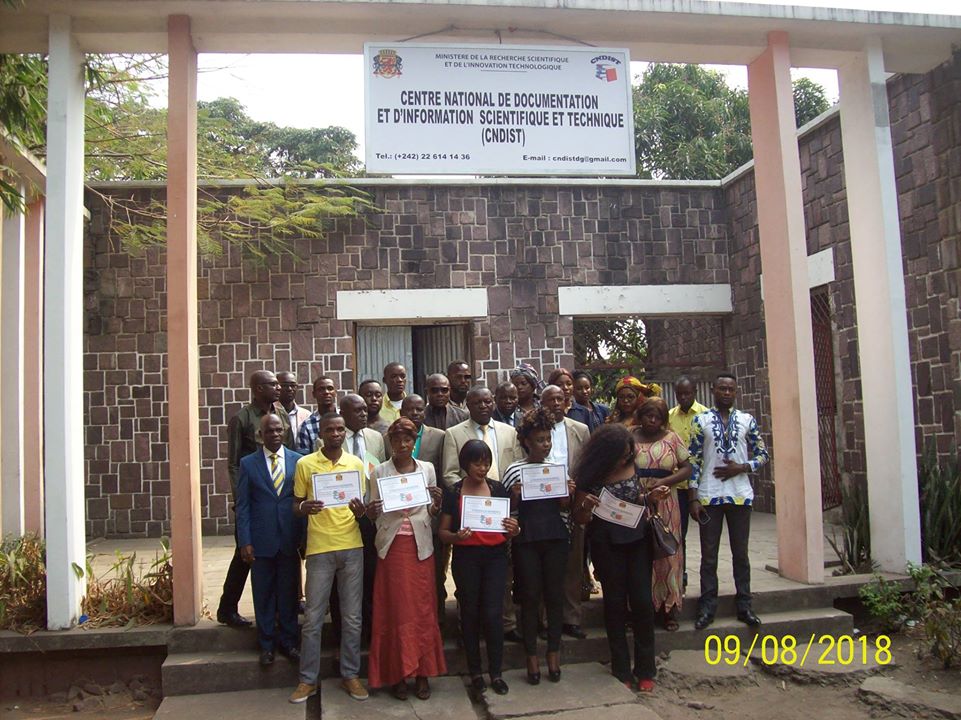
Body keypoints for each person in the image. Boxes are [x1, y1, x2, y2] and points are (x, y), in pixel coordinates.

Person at [571, 424, 671, 692]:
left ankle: (646, 668)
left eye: (629, 454)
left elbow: (637, 499)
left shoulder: (631, 466)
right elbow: (580, 518)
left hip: (637, 540)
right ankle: (621, 667)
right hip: (606, 544)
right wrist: (586, 506)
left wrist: (651, 497)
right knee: (614, 603)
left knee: (641, 602)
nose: (626, 459)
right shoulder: (591, 474)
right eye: (622, 454)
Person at [289, 413, 369, 704]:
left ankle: (351, 674)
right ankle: (307, 680)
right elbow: (295, 504)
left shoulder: (356, 464)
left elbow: (361, 505)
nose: (335, 434)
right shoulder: (305, 464)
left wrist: (361, 511)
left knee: (351, 617)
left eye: (340, 429)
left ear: (345, 433)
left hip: (352, 546)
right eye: (329, 430)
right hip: (320, 548)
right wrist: (304, 507)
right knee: (312, 617)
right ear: (320, 434)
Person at [365, 418, 447, 700]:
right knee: (396, 611)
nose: (402, 445)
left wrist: (436, 503)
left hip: (420, 548)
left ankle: (422, 672)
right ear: (390, 442)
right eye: (397, 440)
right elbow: (372, 512)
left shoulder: (427, 469)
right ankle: (398, 674)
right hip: (392, 547)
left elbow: (431, 511)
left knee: (423, 610)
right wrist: (371, 509)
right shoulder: (380, 472)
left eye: (408, 440)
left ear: (414, 442)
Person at [688, 373, 770, 631]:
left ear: (735, 392)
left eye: (730, 389)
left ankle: (744, 604)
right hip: (709, 495)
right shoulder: (700, 421)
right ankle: (707, 606)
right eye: (721, 388)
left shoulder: (747, 420)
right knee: (709, 556)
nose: (726, 392)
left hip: (739, 495)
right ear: (713, 389)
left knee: (741, 554)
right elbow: (694, 460)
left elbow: (763, 454)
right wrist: (693, 497)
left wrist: (742, 467)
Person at [439, 440, 520, 698]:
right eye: (477, 463)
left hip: (495, 558)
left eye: (486, 463)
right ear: (465, 464)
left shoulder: (498, 489)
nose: (482, 468)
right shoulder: (454, 492)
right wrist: (457, 537)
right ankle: (475, 671)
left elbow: (511, 524)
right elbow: (442, 532)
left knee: (494, 614)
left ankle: (496, 672)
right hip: (466, 558)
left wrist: (514, 529)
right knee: (470, 613)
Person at [501, 406, 574, 685]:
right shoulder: (513, 470)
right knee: (529, 597)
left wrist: (567, 494)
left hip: (555, 537)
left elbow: (565, 509)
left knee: (554, 596)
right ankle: (531, 657)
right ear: (526, 441)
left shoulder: (557, 468)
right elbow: (507, 512)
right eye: (540, 440)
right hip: (526, 540)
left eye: (548, 439)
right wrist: (516, 496)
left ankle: (553, 654)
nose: (545, 444)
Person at [219, 370, 290, 628]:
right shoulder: (241, 418)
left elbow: (288, 452)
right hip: (252, 496)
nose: (278, 387)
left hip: (279, 495)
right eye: (272, 384)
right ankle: (227, 607)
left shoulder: (281, 414)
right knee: (244, 554)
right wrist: (240, 500)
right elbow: (233, 463)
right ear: (257, 389)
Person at [235, 414, 305, 665]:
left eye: (278, 430)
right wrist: (245, 541)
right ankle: (266, 645)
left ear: (285, 432)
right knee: (263, 594)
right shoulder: (248, 464)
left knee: (288, 595)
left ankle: (289, 642)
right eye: (269, 431)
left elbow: (303, 500)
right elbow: (242, 506)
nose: (274, 434)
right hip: (261, 541)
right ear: (260, 435)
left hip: (289, 539)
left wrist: (304, 538)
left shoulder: (299, 462)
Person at [632, 397, 692, 632]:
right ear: (641, 416)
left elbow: (688, 467)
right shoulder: (630, 437)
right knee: (638, 555)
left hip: (666, 503)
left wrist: (664, 481)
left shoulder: (672, 438)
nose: (652, 420)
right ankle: (638, 609)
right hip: (637, 504)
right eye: (648, 415)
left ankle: (668, 609)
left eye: (657, 417)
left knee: (667, 554)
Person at [539, 385, 590, 640]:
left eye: (561, 399)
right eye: (551, 400)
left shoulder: (580, 430)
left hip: (572, 504)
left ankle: (572, 618)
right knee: (545, 564)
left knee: (573, 563)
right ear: (542, 403)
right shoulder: (534, 430)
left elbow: (589, 467)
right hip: (542, 505)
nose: (557, 403)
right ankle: (546, 619)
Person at [340, 393, 387, 643]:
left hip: (370, 517)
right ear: (343, 413)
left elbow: (378, 472)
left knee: (371, 575)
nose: (363, 414)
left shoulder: (376, 437)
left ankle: (371, 630)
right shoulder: (331, 437)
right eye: (357, 410)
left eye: (364, 410)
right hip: (343, 517)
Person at [400, 393, 449, 625]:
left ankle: (437, 620)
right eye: (411, 409)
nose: (416, 413)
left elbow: (442, 471)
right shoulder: (390, 438)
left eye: (420, 410)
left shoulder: (439, 437)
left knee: (435, 573)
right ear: (402, 412)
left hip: (430, 515)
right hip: (401, 519)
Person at [668, 376, 708, 590]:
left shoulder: (705, 415)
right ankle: (680, 574)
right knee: (678, 533)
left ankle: (707, 579)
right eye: (680, 394)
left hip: (703, 485)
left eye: (687, 393)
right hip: (679, 487)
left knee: (708, 536)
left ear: (695, 391)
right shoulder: (669, 417)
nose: (683, 397)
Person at [295, 375, 339, 454]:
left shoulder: (346, 418)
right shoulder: (306, 426)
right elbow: (303, 458)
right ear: (314, 394)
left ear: (335, 392)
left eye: (330, 388)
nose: (326, 392)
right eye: (321, 389)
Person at [278, 371, 313, 446]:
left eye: (293, 385)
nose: (289, 389)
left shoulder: (307, 415)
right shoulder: (270, 413)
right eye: (284, 385)